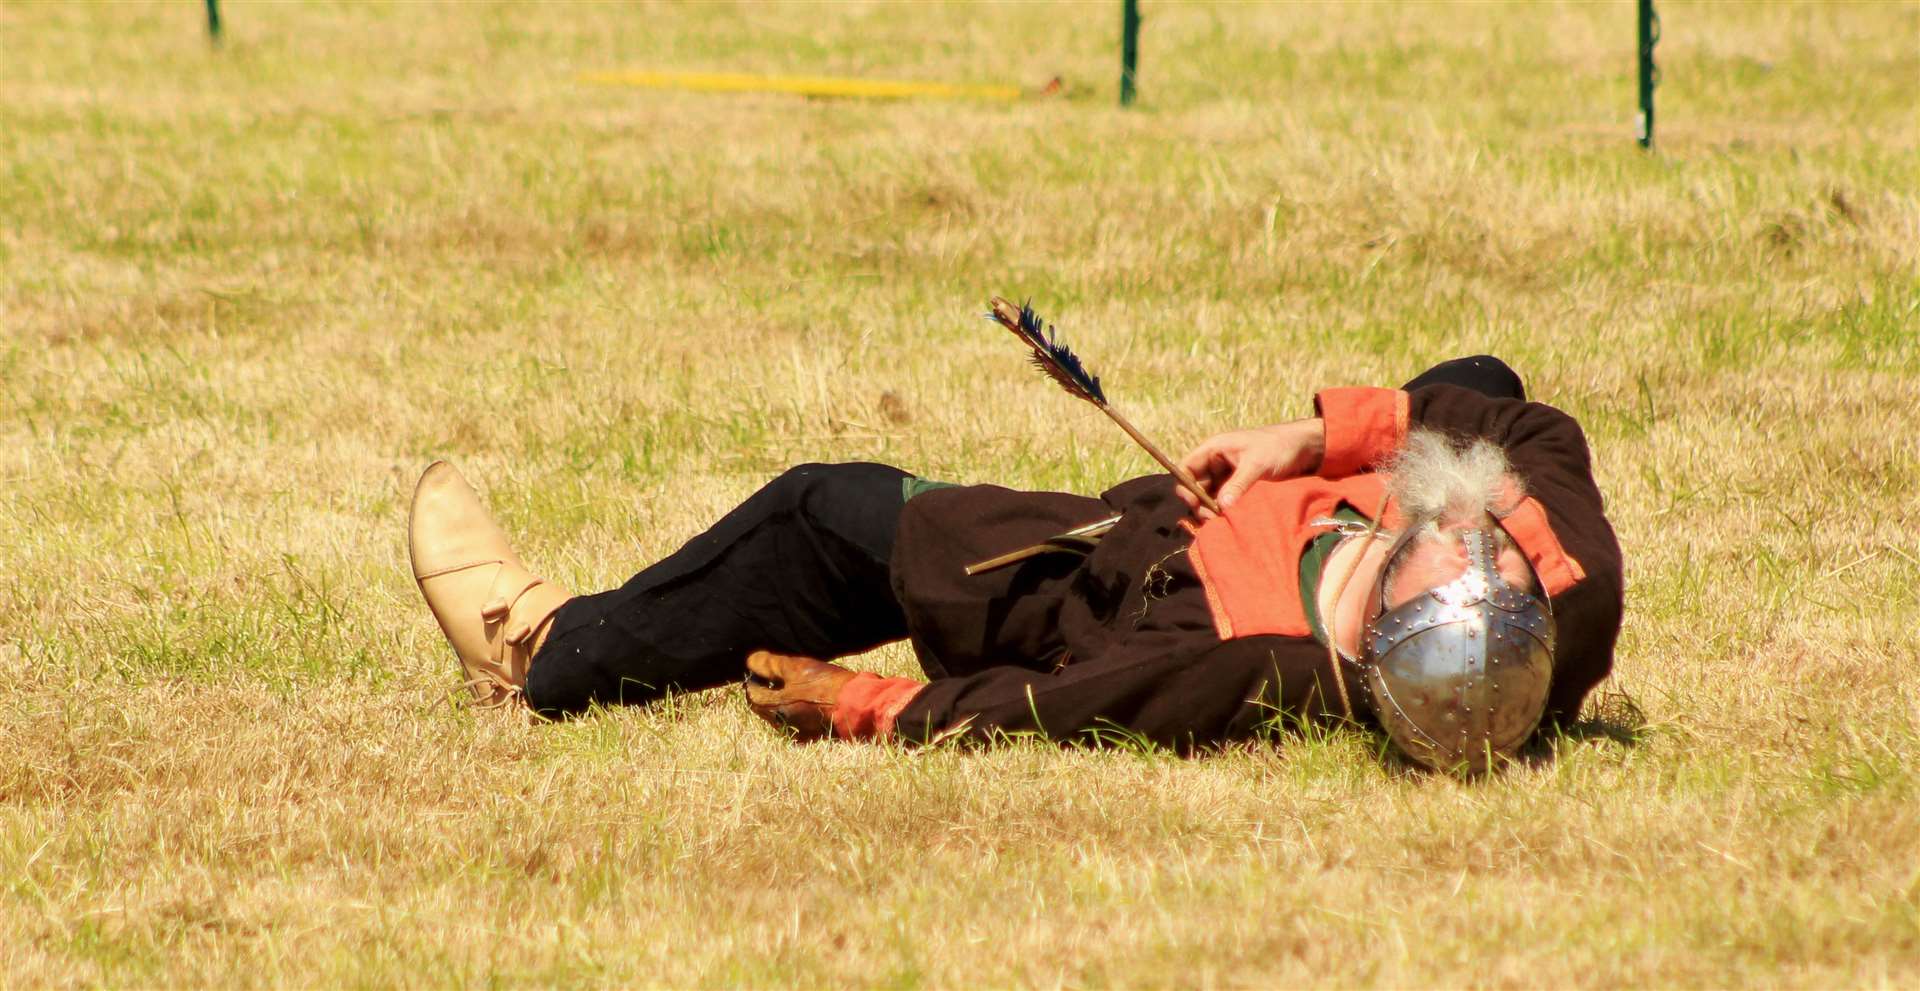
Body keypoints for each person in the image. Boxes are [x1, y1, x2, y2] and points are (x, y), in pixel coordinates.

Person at [407, 356, 1622, 770]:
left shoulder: (1234, 661)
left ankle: (548, 651)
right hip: (1225, 517)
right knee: (1485, 381)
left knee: (827, 510)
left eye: (1366, 598)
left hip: (1122, 571)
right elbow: (1527, 431)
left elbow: (1047, 707)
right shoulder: (1550, 575)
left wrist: (866, 704)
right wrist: (1314, 439)